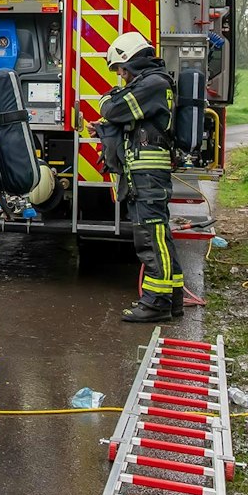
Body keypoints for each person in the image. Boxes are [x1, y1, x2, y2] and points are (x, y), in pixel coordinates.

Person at [98, 32, 181, 322]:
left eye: (121, 68)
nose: (121, 75)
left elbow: (113, 109)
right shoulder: (151, 84)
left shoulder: (153, 85)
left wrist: (108, 100)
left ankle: (156, 302)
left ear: (132, 61)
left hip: (148, 173)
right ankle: (173, 298)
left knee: (150, 235)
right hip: (144, 172)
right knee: (158, 235)